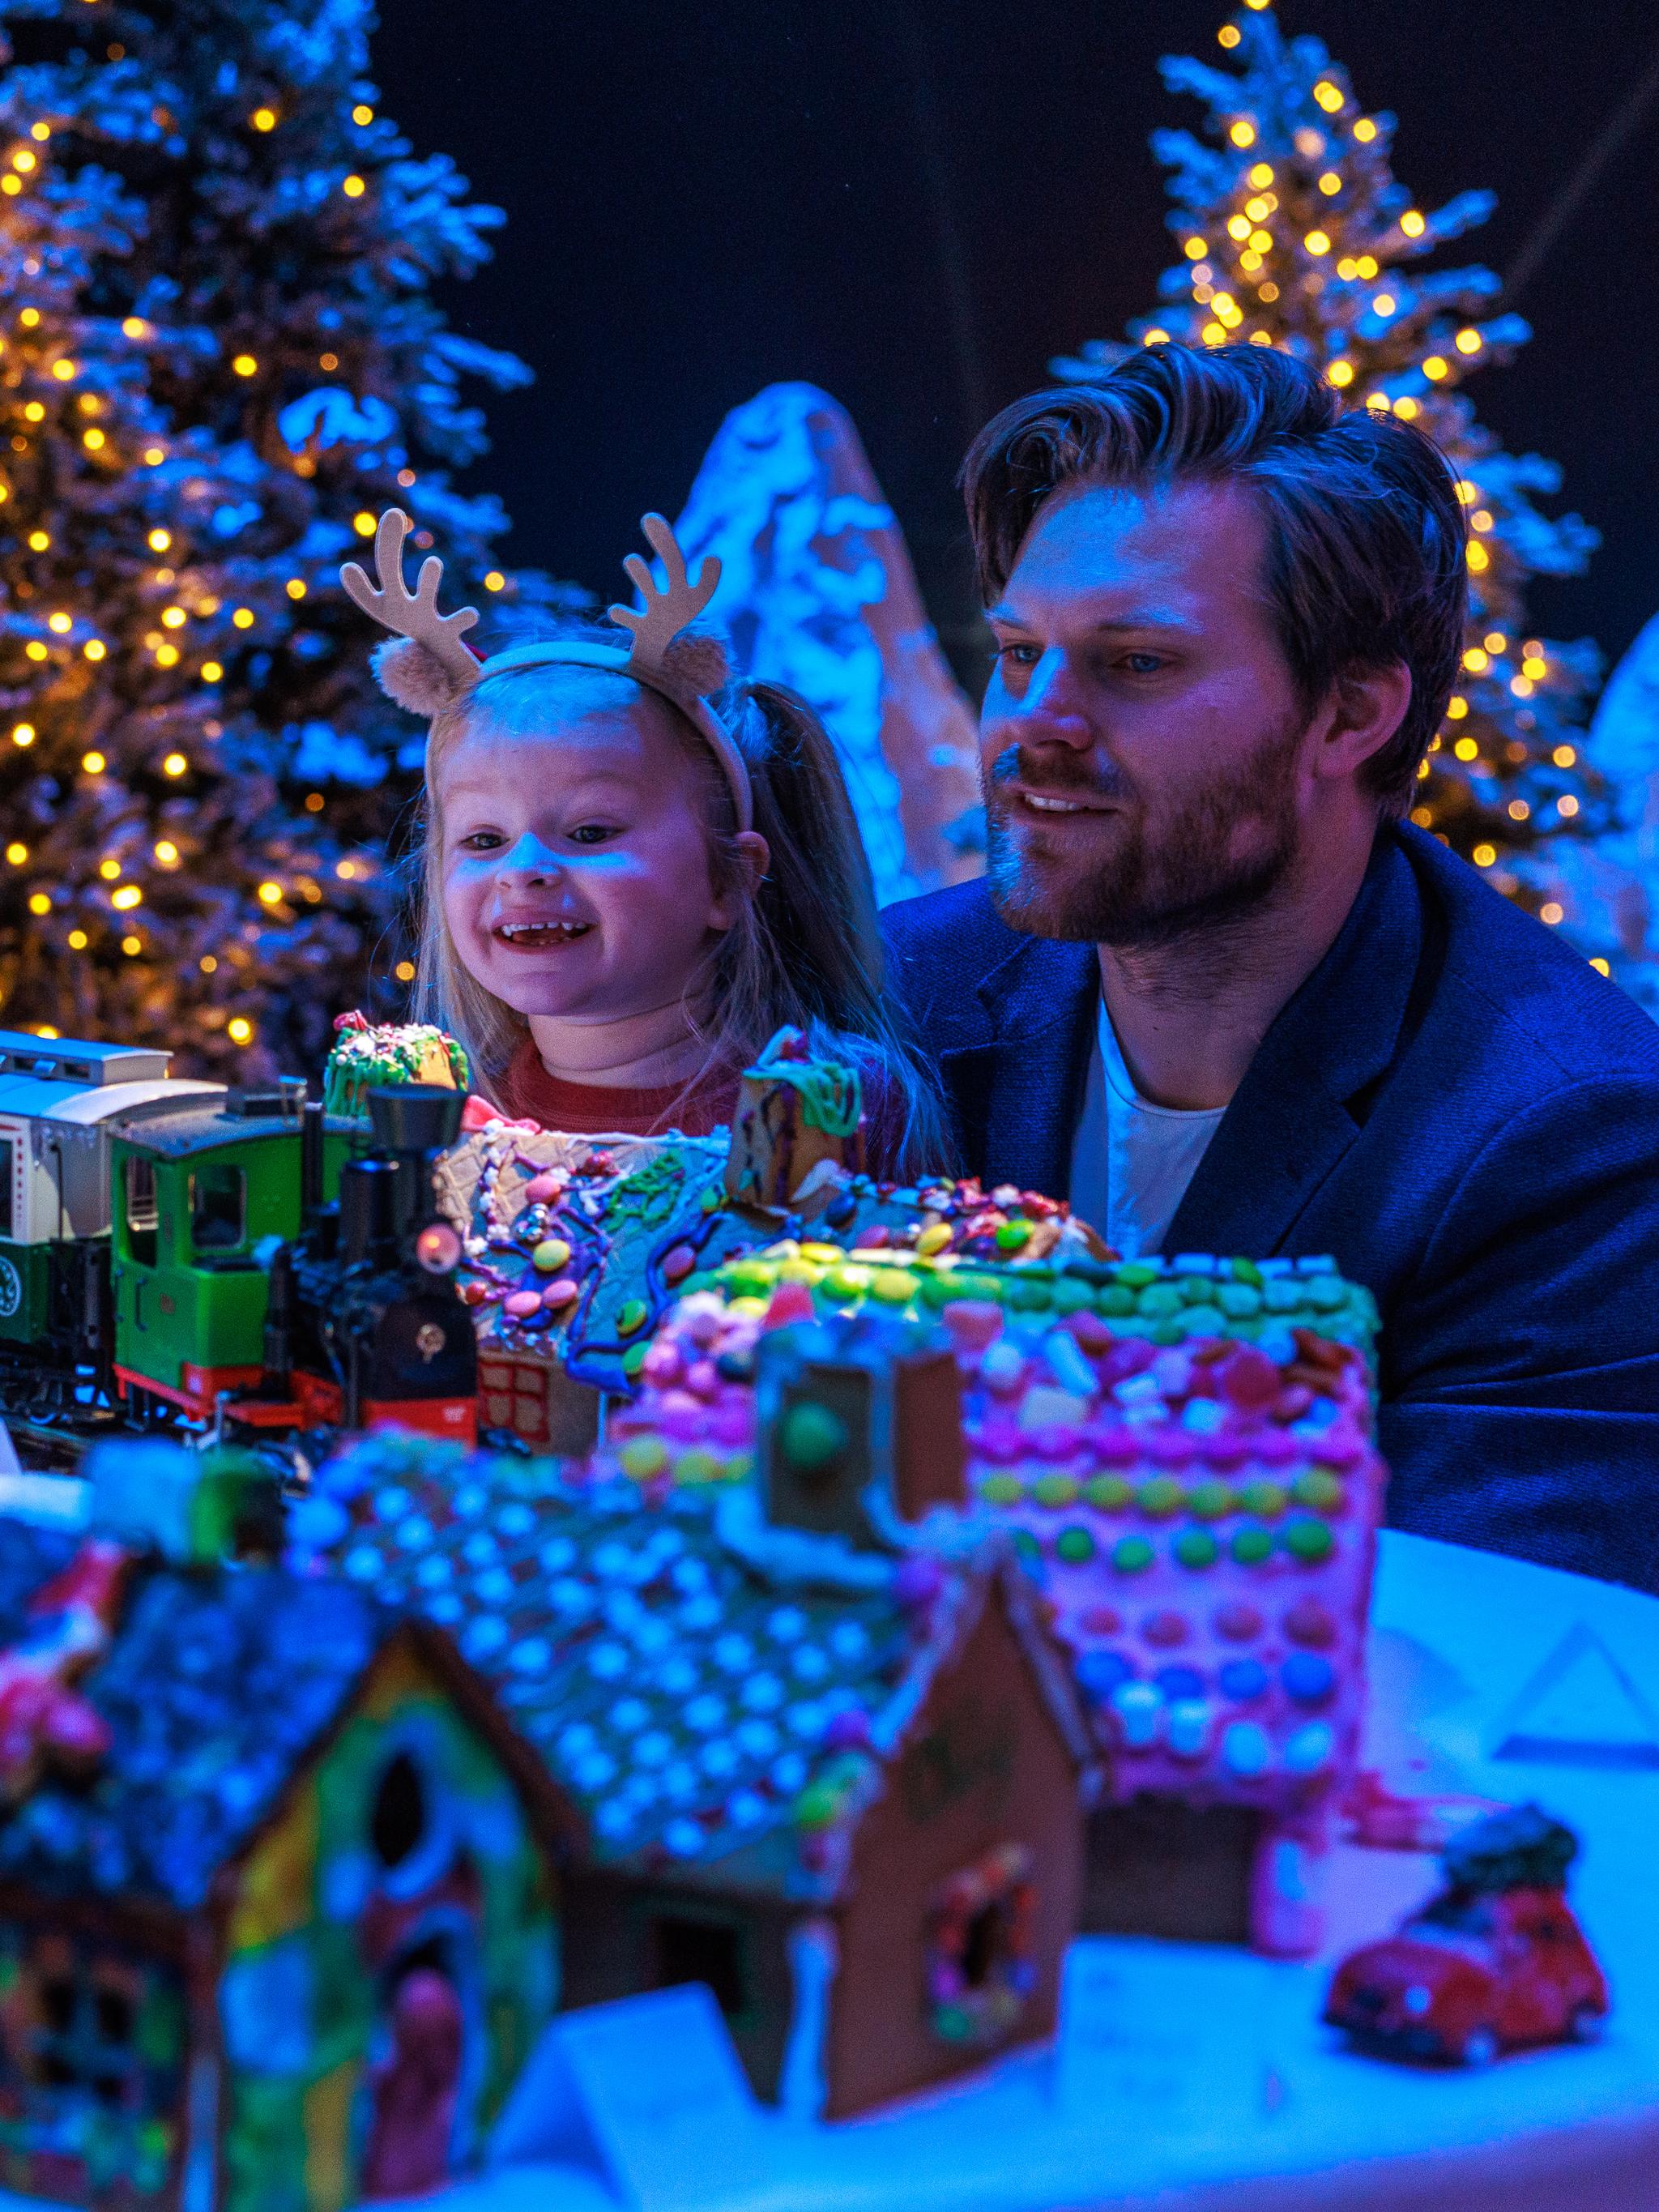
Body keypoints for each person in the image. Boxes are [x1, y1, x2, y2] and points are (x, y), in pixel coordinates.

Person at [882, 343, 1659, 1591]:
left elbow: (1473, 1662)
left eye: (1135, 662)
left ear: (1351, 716)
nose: (1032, 719)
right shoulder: (896, 998)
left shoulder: (1565, 1136)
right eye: (1020, 653)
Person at [342, 508, 944, 1171]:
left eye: (590, 831)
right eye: (484, 840)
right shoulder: (433, 1120)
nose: (524, 869)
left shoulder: (831, 1114)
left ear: (728, 879)